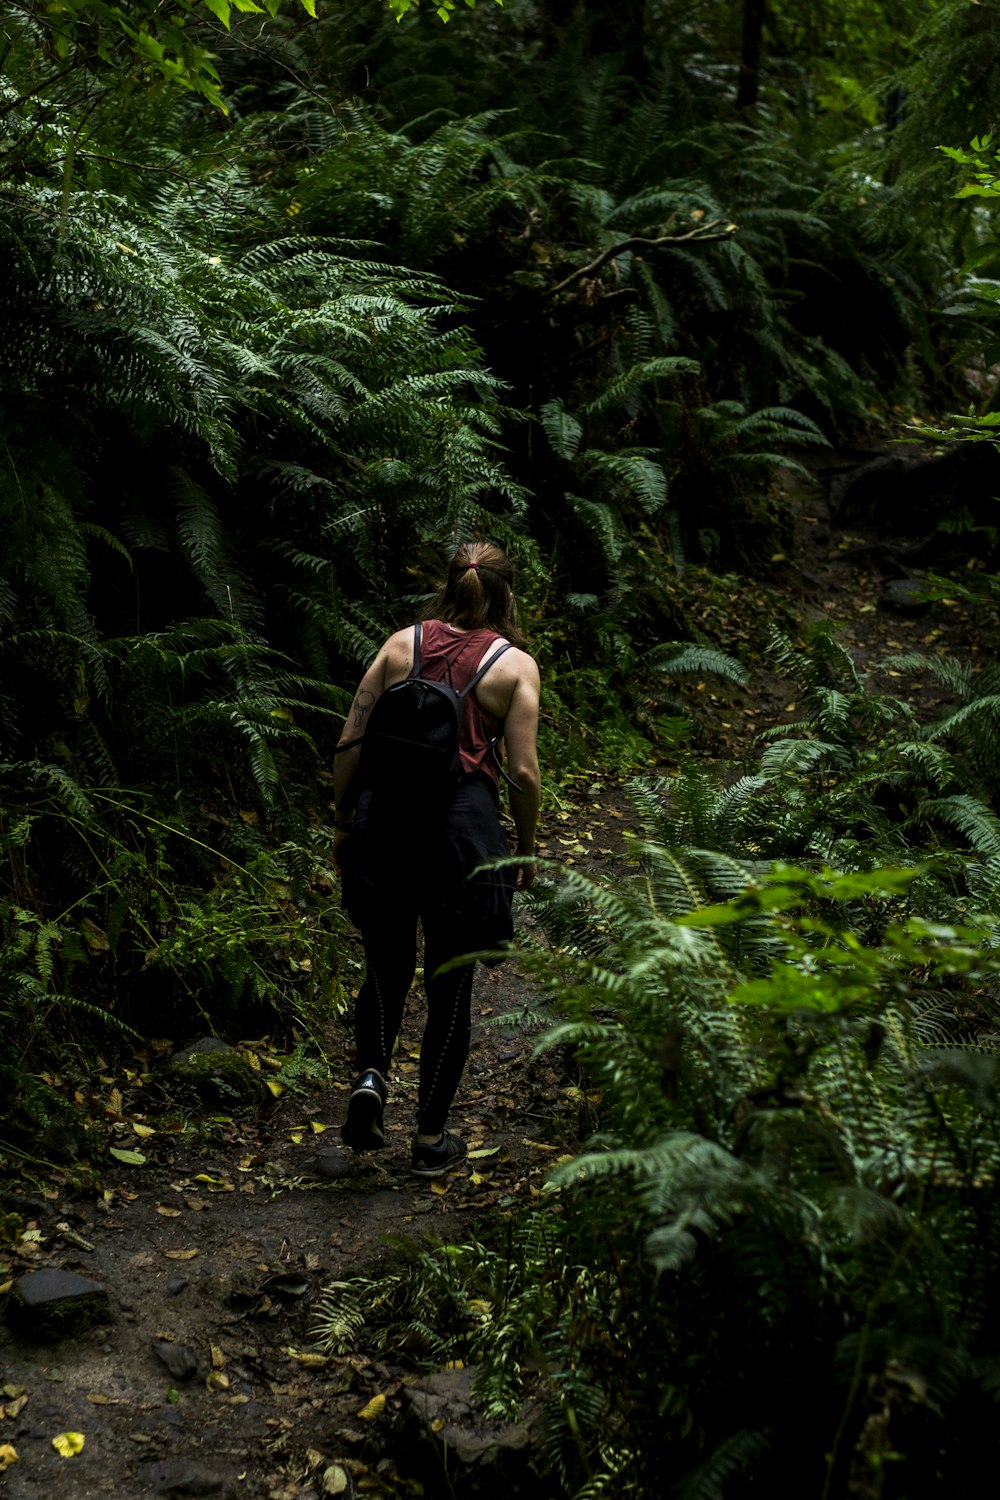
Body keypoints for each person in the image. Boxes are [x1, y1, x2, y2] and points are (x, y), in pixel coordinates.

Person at [331, 540, 541, 1177]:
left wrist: (345, 822)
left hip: (385, 827)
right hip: (461, 841)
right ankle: (428, 1141)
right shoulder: (515, 668)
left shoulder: (401, 645)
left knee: (386, 967)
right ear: (507, 594)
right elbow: (525, 775)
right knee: (451, 989)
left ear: (448, 585)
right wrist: (524, 853)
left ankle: (371, 1077)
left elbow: (350, 742)